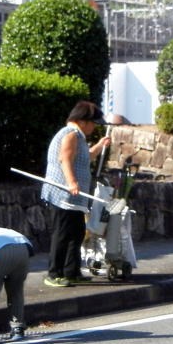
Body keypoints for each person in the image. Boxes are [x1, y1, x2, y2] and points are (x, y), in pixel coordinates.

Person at [42, 101, 111, 287]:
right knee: (63, 233)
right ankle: (54, 273)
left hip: (74, 197)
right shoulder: (70, 134)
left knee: (77, 233)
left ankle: (71, 271)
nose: (95, 126)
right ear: (83, 121)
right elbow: (65, 159)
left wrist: (99, 145)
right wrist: (72, 182)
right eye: (93, 122)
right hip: (63, 195)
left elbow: (85, 157)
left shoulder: (78, 136)